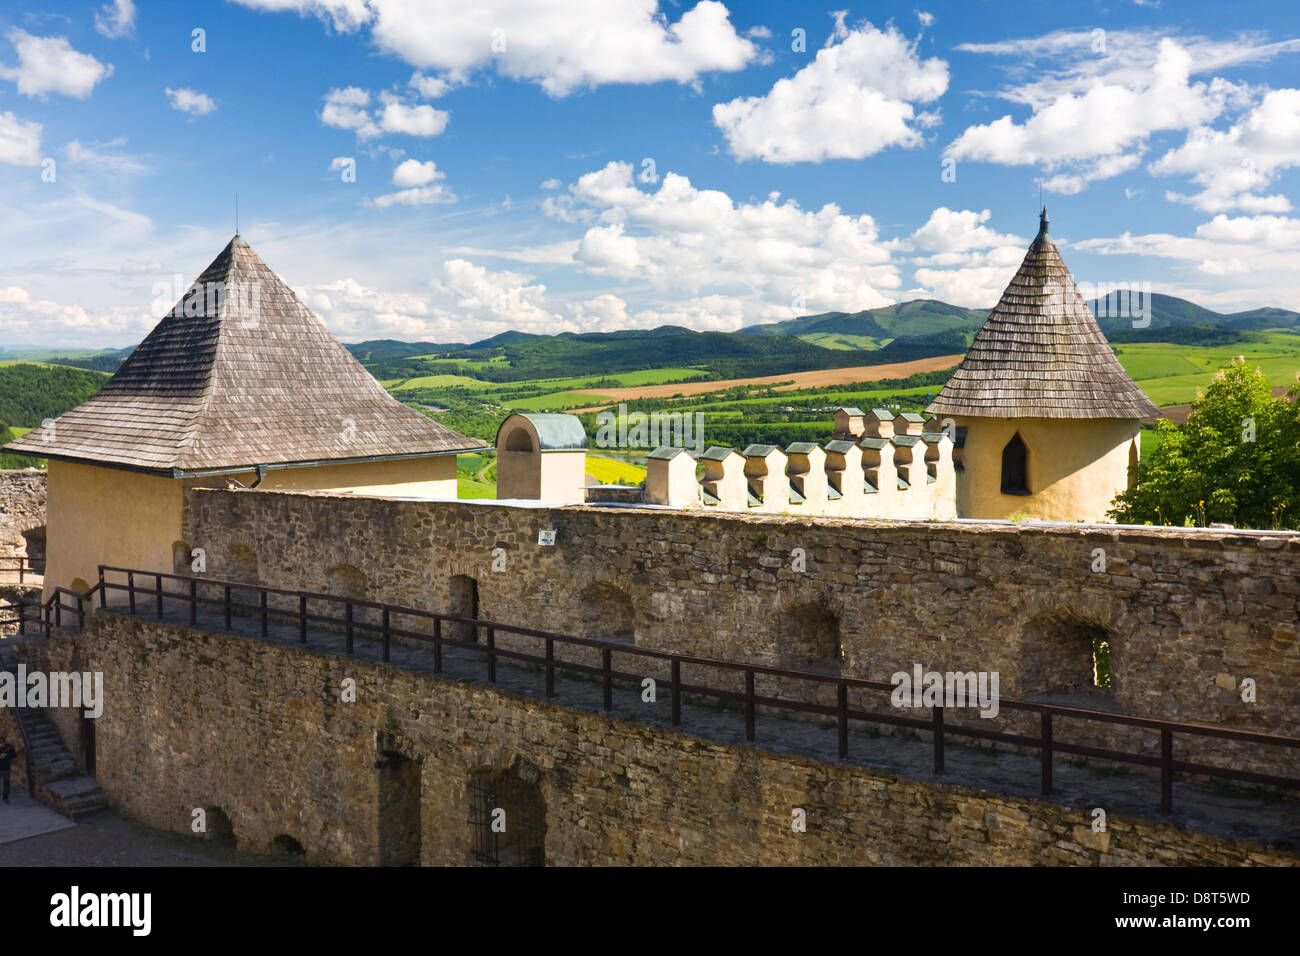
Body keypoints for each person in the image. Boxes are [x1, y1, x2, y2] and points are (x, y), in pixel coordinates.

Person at [0, 733, 16, 803]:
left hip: (6, 769)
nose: (1, 744)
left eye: (2, 743)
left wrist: (7, 756)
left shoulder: (9, 747)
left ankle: (5, 798)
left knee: (6, 784)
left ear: (4, 742)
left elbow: (14, 755)